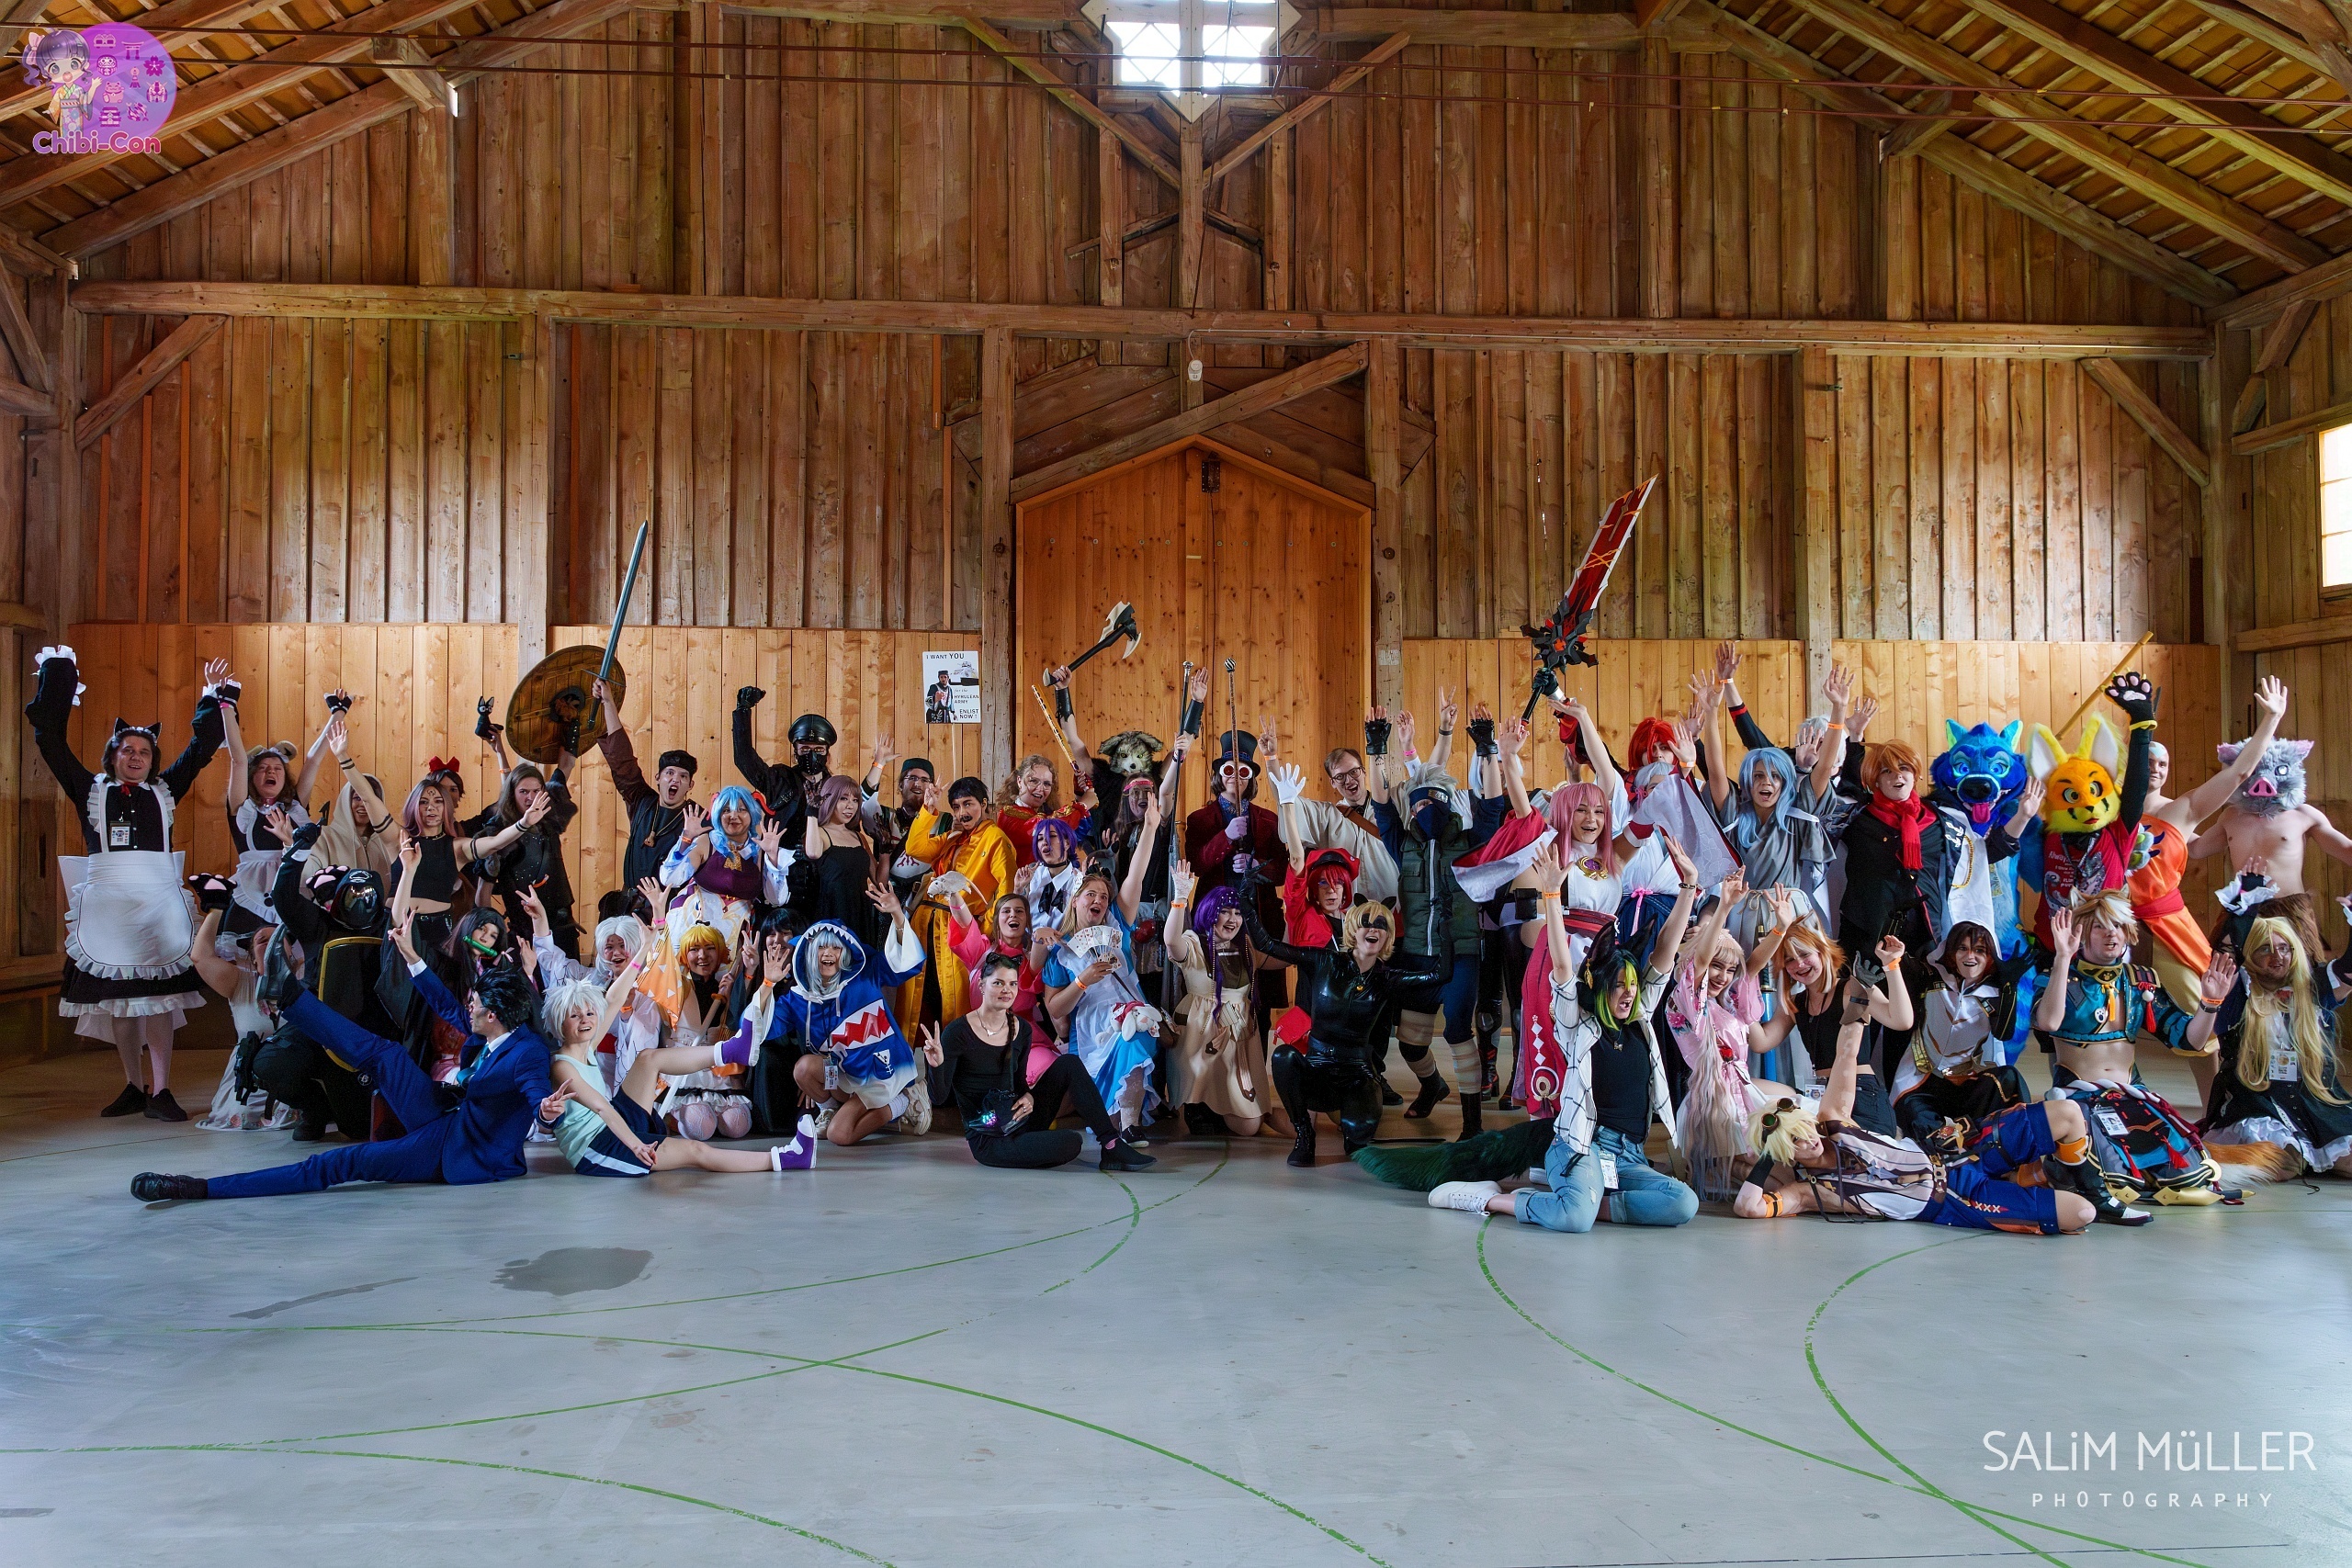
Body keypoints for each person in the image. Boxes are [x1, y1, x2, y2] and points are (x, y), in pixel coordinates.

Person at [130, 931, 551, 1202]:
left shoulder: (527, 1053)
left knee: (338, 1163)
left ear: (493, 1013)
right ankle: (289, 996)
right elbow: (443, 1002)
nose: (467, 1007)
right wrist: (409, 954)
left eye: (474, 1003)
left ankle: (198, 1188)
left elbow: (538, 1095)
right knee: (387, 1054)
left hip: (457, 1150)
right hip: (446, 1111)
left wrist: (547, 1113)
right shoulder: (491, 1029)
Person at [1426, 840, 1702, 1230]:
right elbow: (1560, 964)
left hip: (1628, 1157)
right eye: (1619, 985)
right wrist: (1552, 896)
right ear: (1600, 986)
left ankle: (1587, 1202)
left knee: (1682, 1203)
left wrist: (1688, 886)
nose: (1629, 993)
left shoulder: (1639, 1019)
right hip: (1580, 1147)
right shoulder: (1579, 1025)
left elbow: (1664, 952)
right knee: (1574, 1220)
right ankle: (1491, 1199)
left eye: (1633, 985)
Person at [25, 645, 228, 1122]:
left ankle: (162, 1090)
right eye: (128, 750)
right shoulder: (88, 789)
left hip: (157, 904)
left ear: (152, 759)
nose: (137, 757)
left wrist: (213, 696)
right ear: (113, 755)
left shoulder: (166, 790)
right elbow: (50, 739)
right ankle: (134, 1086)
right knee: (120, 1003)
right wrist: (59, 675)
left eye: (145, 751)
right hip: (111, 906)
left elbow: (200, 750)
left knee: (158, 1000)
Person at [1730, 989, 2126, 1230]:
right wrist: (1768, 1156)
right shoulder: (1810, 1192)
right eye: (1795, 1143)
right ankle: (2029, 1176)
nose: (1809, 1141)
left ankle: (2072, 1180)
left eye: (1804, 1130)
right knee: (2081, 1214)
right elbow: (1749, 1207)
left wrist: (1860, 996)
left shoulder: (1835, 1123)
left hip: (1955, 1151)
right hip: (1958, 1201)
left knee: (2068, 1114)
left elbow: (1847, 1052)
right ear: (1785, 1155)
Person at [2033, 897, 2268, 1207]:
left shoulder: (2140, 982)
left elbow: (2189, 1040)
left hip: (2133, 1096)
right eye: (2100, 926)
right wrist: (2063, 957)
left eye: (2118, 925)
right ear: (2082, 932)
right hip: (2079, 1100)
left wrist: (2210, 1003)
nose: (2111, 933)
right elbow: (2049, 1022)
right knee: (2114, 1180)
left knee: (2187, 1178)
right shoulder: (2056, 978)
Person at [539, 937, 817, 1177]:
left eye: (590, 1013)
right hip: (597, 1148)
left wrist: (646, 946)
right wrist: (636, 1145)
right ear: (558, 1023)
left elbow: (613, 999)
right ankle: (788, 1158)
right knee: (694, 1150)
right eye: (574, 1016)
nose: (586, 1020)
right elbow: (602, 1108)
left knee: (649, 1058)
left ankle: (733, 1050)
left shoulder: (586, 1047)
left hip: (613, 1125)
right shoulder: (562, 1066)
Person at [1237, 859, 1451, 1166]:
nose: (1373, 929)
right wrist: (1245, 900)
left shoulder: (1387, 978)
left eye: (1381, 925)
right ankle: (1304, 1135)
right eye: (1366, 923)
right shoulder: (1324, 961)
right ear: (1353, 929)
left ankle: (1354, 1123)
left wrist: (1446, 924)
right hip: (1318, 1071)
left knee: (1357, 1142)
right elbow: (1267, 945)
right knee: (1284, 1057)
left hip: (1357, 1077)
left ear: (1388, 937)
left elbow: (1440, 975)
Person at [920, 953, 1156, 1171]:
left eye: (1012, 984)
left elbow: (1019, 1085)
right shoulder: (958, 1033)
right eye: (998, 983)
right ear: (982, 985)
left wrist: (1030, 1097)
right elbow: (938, 1098)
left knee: (1069, 1063)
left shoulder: (1021, 1028)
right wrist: (936, 1065)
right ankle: (1029, 1146)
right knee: (1071, 1142)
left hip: (1020, 1119)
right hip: (990, 1138)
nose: (1006, 990)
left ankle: (1111, 1145)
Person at [2187, 917, 2352, 1176]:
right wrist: (2244, 908)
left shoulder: (2312, 988)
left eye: (2284, 948)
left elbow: (2348, 972)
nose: (2277, 956)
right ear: (2249, 953)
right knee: (2281, 1164)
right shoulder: (2236, 993)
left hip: (2315, 1103)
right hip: (2256, 1102)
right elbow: (2227, 952)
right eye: (2265, 949)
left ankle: (2311, 1155)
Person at [1041, 798, 1166, 1140]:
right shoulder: (1061, 952)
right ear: (1075, 901)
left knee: (1134, 1037)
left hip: (1132, 1017)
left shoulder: (1117, 926)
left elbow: (1136, 875)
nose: (1098, 900)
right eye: (1090, 895)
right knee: (1106, 1124)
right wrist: (1082, 981)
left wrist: (1150, 827)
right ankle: (1122, 1125)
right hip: (1090, 1033)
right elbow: (1055, 1009)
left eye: (1103, 897)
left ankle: (1132, 1127)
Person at [2189, 716, 2352, 972]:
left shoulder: (2303, 814)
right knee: (2231, 978)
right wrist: (2169, 818)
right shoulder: (2230, 817)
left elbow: (2346, 850)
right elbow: (2197, 849)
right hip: (2243, 909)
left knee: (2304, 979)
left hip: (2291, 909)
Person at [1702, 660, 1849, 937]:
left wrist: (1838, 709)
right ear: (1747, 782)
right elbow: (1715, 770)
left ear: (1786, 783)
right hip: (1740, 914)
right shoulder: (1734, 814)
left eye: (1775, 776)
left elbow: (1825, 767)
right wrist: (1711, 714)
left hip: (1788, 916)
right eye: (1758, 776)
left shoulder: (1798, 814)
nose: (1766, 782)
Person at [785, 884, 931, 1145]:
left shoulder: (867, 973)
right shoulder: (801, 995)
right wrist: (764, 983)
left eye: (835, 948)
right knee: (804, 1069)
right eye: (821, 947)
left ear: (845, 953)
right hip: (847, 1072)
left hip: (881, 1071)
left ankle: (903, 1100)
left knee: (839, 1135)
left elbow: (907, 964)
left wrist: (897, 914)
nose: (828, 953)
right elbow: (765, 1028)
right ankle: (832, 1111)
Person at [1746, 917, 1913, 1134]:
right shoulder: (1795, 1004)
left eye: (1804, 954)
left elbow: (1902, 1021)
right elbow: (1761, 1042)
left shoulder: (1851, 989)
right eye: (1789, 960)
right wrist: (1739, 1000)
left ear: (1822, 952)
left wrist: (1892, 965)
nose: (1799, 964)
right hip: (1820, 1096)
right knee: (1744, 1085)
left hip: (1860, 1094)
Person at [1163, 867, 1288, 1139]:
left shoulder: (1245, 947)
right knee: (1206, 1112)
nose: (1233, 919)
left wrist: (1293, 914)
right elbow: (1171, 941)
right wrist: (1180, 897)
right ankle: (1198, 1109)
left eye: (1238, 912)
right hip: (1200, 1039)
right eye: (1225, 911)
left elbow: (1283, 958)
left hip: (1238, 1037)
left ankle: (1248, 1112)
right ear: (1210, 913)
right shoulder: (1194, 944)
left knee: (1248, 1127)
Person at [1890, 922, 2029, 1156]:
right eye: (1962, 948)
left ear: (1990, 957)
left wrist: (2009, 989)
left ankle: (2017, 1150)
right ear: (1951, 954)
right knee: (1921, 1127)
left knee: (2008, 1078)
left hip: (1965, 1082)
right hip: (1921, 1080)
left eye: (1980, 950)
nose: (1970, 956)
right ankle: (1953, 1154)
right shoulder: (1931, 976)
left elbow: (2003, 1034)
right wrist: (1895, 937)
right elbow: (1899, 963)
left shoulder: (1994, 993)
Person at [218, 686, 334, 934]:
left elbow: (314, 760)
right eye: (263, 768)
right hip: (251, 893)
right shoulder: (242, 807)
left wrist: (338, 713)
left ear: (285, 777)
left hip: (295, 886)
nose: (271, 771)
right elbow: (238, 760)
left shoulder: (296, 806)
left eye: (277, 768)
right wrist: (226, 706)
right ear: (252, 777)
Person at [905, 775, 1018, 1025]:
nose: (962, 813)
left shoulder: (996, 839)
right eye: (956, 807)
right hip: (925, 924)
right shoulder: (954, 837)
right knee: (921, 998)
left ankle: (955, 1048)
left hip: (959, 927)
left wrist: (984, 929)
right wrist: (929, 808)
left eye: (968, 804)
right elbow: (914, 848)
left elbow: (1006, 890)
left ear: (984, 804)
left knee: (954, 999)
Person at [590, 674, 698, 896]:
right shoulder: (642, 800)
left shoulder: (697, 818)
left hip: (669, 909)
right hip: (629, 904)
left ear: (690, 785)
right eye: (669, 773)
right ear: (658, 778)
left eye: (683, 776)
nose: (675, 780)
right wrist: (608, 702)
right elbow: (622, 761)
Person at [660, 788, 792, 953]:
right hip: (693, 930)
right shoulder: (706, 842)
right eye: (726, 810)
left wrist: (773, 856)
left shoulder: (761, 848)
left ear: (752, 813)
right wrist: (686, 839)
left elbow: (777, 899)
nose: (733, 816)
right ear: (718, 814)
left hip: (735, 937)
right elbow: (669, 879)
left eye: (741, 810)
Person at [477, 760, 581, 958]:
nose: (530, 798)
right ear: (512, 793)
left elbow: (566, 764)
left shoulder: (549, 819)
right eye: (524, 792)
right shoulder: (497, 831)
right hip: (524, 932)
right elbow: (483, 892)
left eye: (536, 791)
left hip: (562, 927)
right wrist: (491, 934)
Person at [732, 687, 833, 844]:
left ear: (827, 753)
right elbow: (745, 759)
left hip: (824, 856)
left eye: (819, 749)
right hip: (780, 855)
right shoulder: (779, 779)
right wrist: (742, 712)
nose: (812, 754)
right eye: (805, 749)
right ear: (796, 752)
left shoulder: (836, 787)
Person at [799, 773, 881, 948]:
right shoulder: (819, 832)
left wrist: (886, 851)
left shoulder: (859, 837)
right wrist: (812, 812)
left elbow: (879, 880)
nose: (850, 806)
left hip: (861, 914)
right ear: (829, 800)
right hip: (831, 914)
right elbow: (813, 853)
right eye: (843, 798)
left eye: (855, 800)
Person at [311, 719, 395, 882]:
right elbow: (308, 876)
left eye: (369, 800)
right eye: (357, 798)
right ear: (345, 801)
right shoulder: (325, 837)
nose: (363, 804)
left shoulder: (389, 840)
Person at [996, 751, 1089, 871]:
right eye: (1033, 781)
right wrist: (1083, 805)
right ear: (1019, 781)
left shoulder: (1045, 812)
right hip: (1024, 881)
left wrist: (1080, 795)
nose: (1040, 788)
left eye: (1047, 784)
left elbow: (1076, 834)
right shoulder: (1008, 815)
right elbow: (1047, 827)